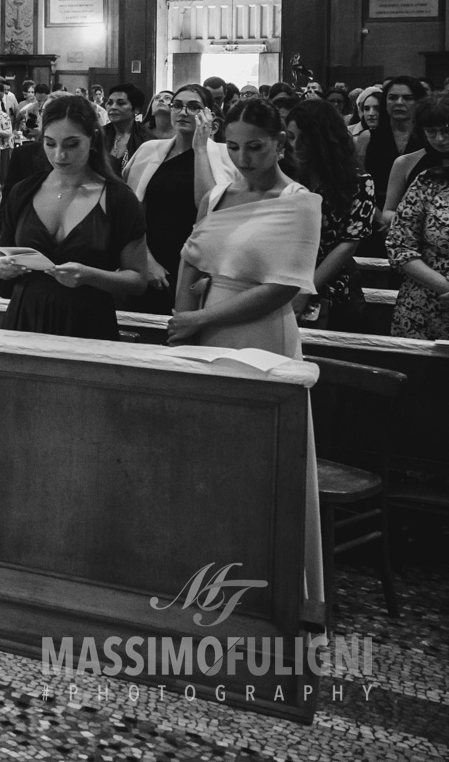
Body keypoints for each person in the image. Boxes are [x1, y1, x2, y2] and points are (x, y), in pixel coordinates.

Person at [166, 98, 323, 625]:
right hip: (206, 326)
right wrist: (184, 318)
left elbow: (284, 287)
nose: (243, 157)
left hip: (261, 334)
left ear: (281, 142)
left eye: (255, 146)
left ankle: (268, 582)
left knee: (264, 460)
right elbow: (192, 255)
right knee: (206, 453)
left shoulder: (300, 202)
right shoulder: (217, 193)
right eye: (233, 147)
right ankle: (201, 571)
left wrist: (200, 319)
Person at [0, 94, 150, 338]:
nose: (59, 156)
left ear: (93, 140)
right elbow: (4, 254)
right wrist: (1, 267)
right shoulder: (24, 192)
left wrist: (90, 275)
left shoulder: (118, 198)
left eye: (71, 144)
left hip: (87, 321)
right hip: (26, 318)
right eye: (50, 144)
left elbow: (138, 280)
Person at [122, 82, 234, 312]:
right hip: (150, 254)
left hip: (199, 261)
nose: (183, 112)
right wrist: (146, 259)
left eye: (193, 107)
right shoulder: (149, 151)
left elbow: (208, 207)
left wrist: (200, 148)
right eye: (177, 106)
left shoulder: (225, 156)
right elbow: (131, 210)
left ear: (209, 115)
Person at [283, 98, 378, 330]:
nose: (295, 146)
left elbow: (348, 244)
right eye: (291, 137)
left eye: (303, 138)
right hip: (287, 275)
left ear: (322, 139)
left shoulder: (359, 182)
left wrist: (306, 288)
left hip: (334, 283)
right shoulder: (289, 176)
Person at [387, 94, 449, 339]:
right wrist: (444, 286)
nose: (440, 139)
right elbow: (398, 246)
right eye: (432, 132)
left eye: (445, 130)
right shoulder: (427, 180)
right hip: (425, 301)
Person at [360, 75, 426, 209]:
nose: (399, 102)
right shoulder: (367, 137)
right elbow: (359, 182)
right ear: (385, 102)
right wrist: (378, 215)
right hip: (373, 209)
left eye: (408, 98)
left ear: (419, 102)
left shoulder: (428, 139)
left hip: (417, 210)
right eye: (392, 97)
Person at [102, 83, 149, 168]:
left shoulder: (146, 139)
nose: (113, 107)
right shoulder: (97, 135)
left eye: (121, 103)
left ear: (136, 109)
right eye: (110, 103)